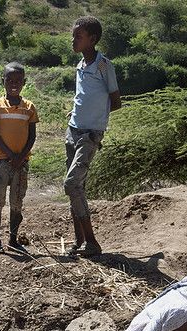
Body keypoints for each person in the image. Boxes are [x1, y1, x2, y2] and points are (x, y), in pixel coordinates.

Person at [64, 16, 122, 257]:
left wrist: (96, 122)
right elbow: (83, 96)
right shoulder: (80, 65)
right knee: (78, 186)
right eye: (73, 35)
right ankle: (79, 242)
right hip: (73, 130)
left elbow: (115, 101)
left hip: (90, 133)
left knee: (71, 184)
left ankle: (92, 242)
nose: (73, 40)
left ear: (93, 39)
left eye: (78, 36)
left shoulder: (103, 65)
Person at [0, 62, 39, 254]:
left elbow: (32, 136)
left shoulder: (29, 107)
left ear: (24, 82)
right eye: (10, 80)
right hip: (1, 162)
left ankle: (13, 240)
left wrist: (21, 157)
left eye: (18, 80)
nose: (14, 84)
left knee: (17, 203)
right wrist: (11, 156)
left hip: (21, 164)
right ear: (4, 81)